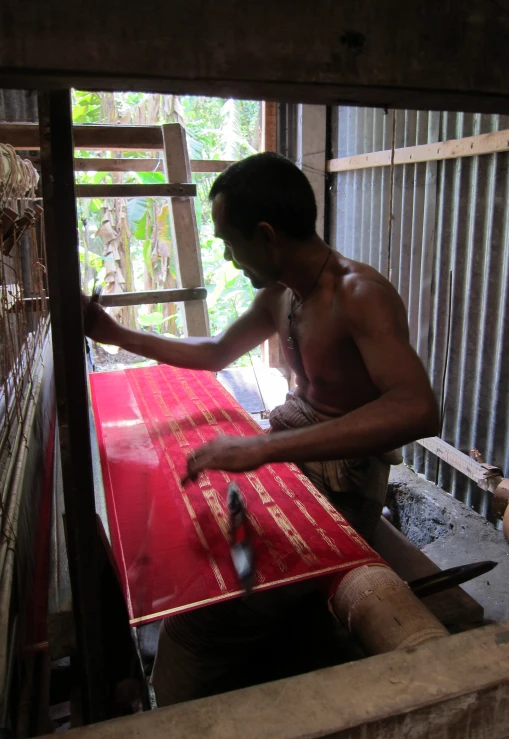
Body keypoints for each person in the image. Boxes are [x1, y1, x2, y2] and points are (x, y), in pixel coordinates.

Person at [82, 152, 439, 704]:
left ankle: (168, 714)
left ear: (267, 236)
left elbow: (418, 408)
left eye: (230, 243)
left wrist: (267, 449)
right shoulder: (281, 295)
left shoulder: (359, 296)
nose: (228, 260)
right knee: (195, 533)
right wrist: (117, 334)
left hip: (344, 495)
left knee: (197, 621)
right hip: (295, 465)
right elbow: (218, 351)